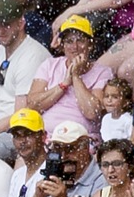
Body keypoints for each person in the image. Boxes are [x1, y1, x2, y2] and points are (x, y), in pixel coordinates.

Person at [0, 0, 49, 160]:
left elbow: (20, 113)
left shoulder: (33, 56)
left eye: (6, 25)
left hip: (17, 132)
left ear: (21, 23)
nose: (0, 31)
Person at [28, 14, 111, 142]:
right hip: (47, 137)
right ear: (63, 46)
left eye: (80, 40)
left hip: (81, 140)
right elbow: (33, 105)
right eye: (69, 41)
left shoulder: (103, 72)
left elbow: (92, 113)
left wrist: (76, 77)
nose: (75, 46)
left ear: (90, 44)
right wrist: (64, 84)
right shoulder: (49, 65)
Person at [17, 120, 105, 197]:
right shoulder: (54, 172)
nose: (63, 156)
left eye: (69, 149)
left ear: (84, 147)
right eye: (58, 149)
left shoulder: (101, 178)